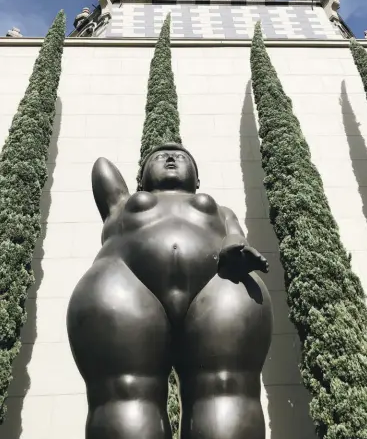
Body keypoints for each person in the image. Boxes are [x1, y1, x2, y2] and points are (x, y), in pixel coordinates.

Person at [67, 143, 273, 439]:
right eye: (160, 157)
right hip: (124, 279)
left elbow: (235, 232)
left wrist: (235, 247)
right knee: (125, 391)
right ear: (141, 180)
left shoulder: (220, 209)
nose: (172, 157)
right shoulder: (122, 204)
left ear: (198, 181)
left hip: (220, 280)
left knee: (226, 386)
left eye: (182, 157)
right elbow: (101, 167)